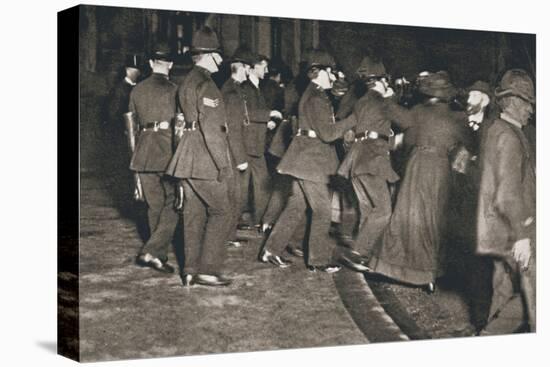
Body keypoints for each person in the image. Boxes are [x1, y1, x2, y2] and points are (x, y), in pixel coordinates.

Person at [368, 71, 468, 292]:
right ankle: (431, 274)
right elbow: (465, 142)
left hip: (419, 165)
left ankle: (398, 269)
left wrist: (385, 95)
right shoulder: (456, 116)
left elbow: (399, 123)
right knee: (433, 219)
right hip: (441, 168)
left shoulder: (420, 112)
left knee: (407, 215)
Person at [259, 49, 357, 273]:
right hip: (310, 162)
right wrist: (354, 119)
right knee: (322, 211)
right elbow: (328, 134)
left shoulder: (317, 94)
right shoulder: (316, 98)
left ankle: (270, 251)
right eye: (330, 71)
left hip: (305, 159)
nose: (333, 75)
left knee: (295, 206)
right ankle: (317, 260)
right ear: (320, 72)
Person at [165, 27, 234, 287]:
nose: (221, 61)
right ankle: (208, 269)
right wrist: (222, 165)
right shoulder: (207, 85)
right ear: (208, 56)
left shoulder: (187, 81)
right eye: (218, 55)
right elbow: (213, 131)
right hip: (204, 157)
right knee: (222, 211)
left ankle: (190, 270)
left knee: (193, 214)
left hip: (186, 155)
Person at [336, 56, 412, 272]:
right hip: (372, 161)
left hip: (356, 162)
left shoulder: (361, 101)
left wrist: (388, 140)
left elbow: (369, 130)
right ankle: (358, 253)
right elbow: (407, 122)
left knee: (368, 211)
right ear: (380, 82)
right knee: (384, 211)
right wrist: (390, 98)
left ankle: (362, 258)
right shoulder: (381, 101)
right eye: (386, 82)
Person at [476, 69, 536, 334]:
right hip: (515, 230)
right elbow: (508, 193)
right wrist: (522, 236)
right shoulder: (509, 137)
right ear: (511, 102)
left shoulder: (498, 129)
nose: (530, 109)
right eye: (526, 102)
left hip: (498, 230)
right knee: (534, 294)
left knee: (504, 290)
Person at [129, 45, 179, 274]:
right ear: (170, 64)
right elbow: (180, 126)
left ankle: (157, 255)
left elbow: (130, 125)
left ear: (150, 64)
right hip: (167, 151)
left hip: (143, 151)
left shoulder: (137, 90)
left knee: (154, 206)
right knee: (176, 204)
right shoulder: (174, 90)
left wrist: (134, 155)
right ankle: (152, 250)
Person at [239, 54, 282, 229]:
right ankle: (239, 222)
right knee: (246, 185)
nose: (266, 71)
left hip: (256, 143)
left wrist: (267, 122)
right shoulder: (245, 88)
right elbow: (245, 113)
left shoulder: (257, 87)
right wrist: (269, 115)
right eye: (263, 67)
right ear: (252, 68)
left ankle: (260, 221)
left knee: (259, 183)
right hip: (247, 144)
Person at [220, 46, 255, 248]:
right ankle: (226, 235)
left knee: (236, 196)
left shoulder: (235, 89)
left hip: (233, 151)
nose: (250, 72)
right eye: (248, 68)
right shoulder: (232, 93)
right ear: (242, 68)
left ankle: (230, 234)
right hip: (232, 154)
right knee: (233, 195)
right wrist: (241, 159)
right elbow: (233, 129)